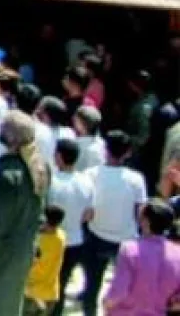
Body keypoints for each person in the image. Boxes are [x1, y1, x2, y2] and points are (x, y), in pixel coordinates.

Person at [0, 111, 48, 316]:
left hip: (0, 253)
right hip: (23, 248)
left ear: (11, 138)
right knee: (10, 303)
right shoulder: (40, 166)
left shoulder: (7, 174)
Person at [79, 130, 148, 316]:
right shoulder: (136, 179)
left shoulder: (90, 175)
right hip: (127, 241)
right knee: (125, 288)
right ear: (128, 153)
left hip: (95, 236)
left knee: (91, 286)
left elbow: (86, 211)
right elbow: (141, 213)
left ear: (105, 150)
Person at [104, 199, 180, 315]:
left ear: (146, 221)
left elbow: (119, 292)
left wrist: (106, 304)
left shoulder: (129, 250)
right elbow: (177, 303)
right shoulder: (177, 253)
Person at [47, 138, 94, 316]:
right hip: (75, 241)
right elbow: (89, 214)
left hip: (51, 240)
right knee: (62, 282)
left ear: (59, 156)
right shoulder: (87, 181)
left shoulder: (52, 181)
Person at [26, 206, 66, 316]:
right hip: (50, 293)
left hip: (33, 293)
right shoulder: (61, 236)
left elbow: (32, 262)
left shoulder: (39, 242)